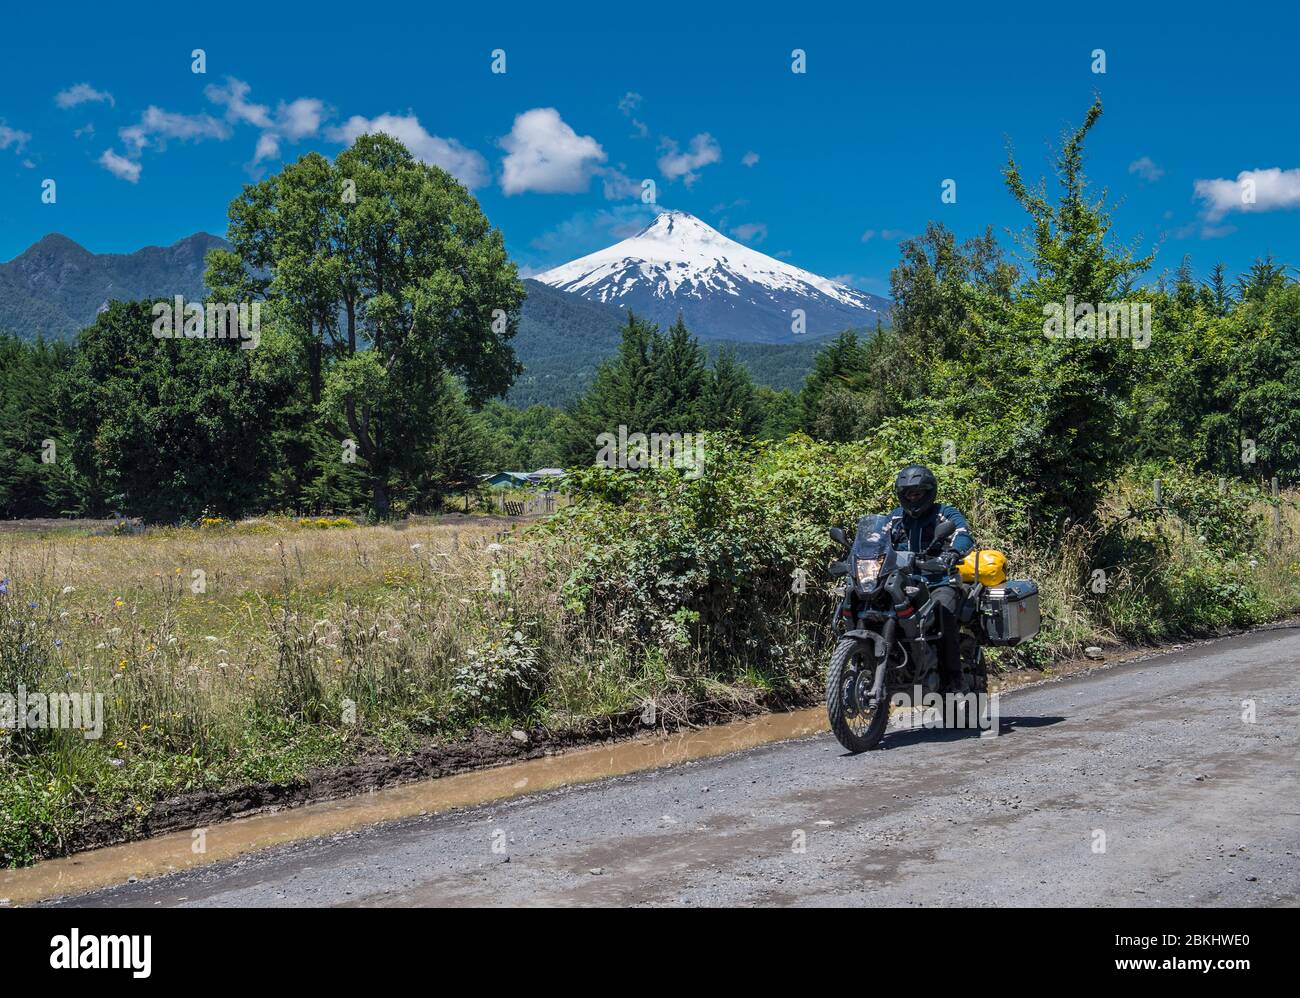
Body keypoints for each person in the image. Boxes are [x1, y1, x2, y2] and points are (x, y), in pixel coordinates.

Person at [887, 464, 974, 692]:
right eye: (908, 494)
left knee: (941, 613)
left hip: (940, 581)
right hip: (902, 584)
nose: (912, 498)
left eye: (917, 493)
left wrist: (953, 553)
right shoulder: (894, 517)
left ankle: (954, 679)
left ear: (928, 492)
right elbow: (876, 538)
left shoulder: (945, 513)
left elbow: (962, 535)